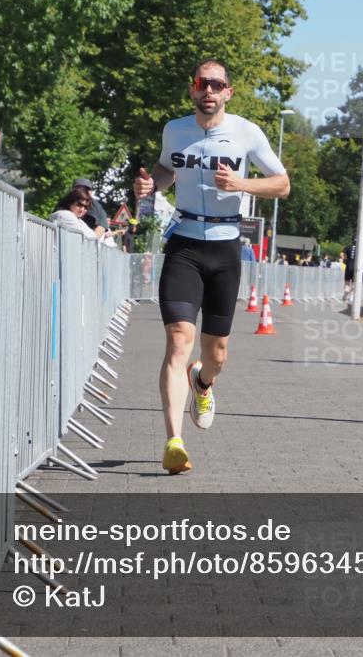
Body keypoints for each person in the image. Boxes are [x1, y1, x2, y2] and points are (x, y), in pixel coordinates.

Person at [133, 58, 289, 474]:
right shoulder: (175, 130)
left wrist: (241, 184)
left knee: (215, 352)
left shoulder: (246, 133)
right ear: (192, 89)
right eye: (203, 83)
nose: (209, 91)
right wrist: (152, 185)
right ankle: (173, 442)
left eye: (217, 85)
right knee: (178, 341)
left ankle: (203, 382)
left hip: (224, 248)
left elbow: (282, 183)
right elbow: (166, 168)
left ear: (228, 93)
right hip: (184, 243)